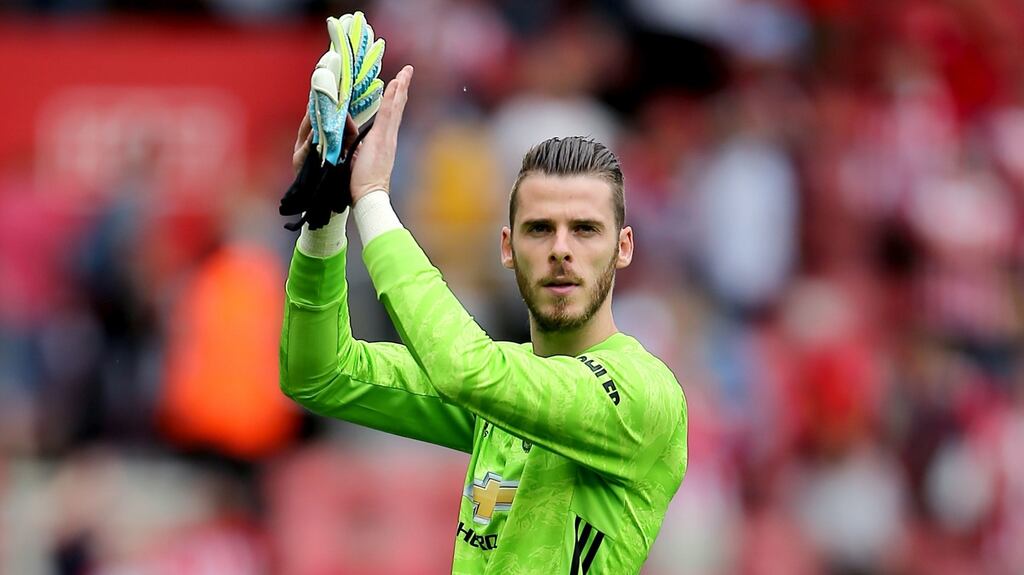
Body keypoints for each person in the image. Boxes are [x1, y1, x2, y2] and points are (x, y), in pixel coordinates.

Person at [280, 65, 688, 574]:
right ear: (507, 248)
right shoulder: (499, 392)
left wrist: (374, 199)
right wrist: (327, 216)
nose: (561, 250)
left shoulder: (642, 393)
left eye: (585, 229)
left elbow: (465, 369)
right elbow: (320, 374)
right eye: (539, 229)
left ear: (622, 248)